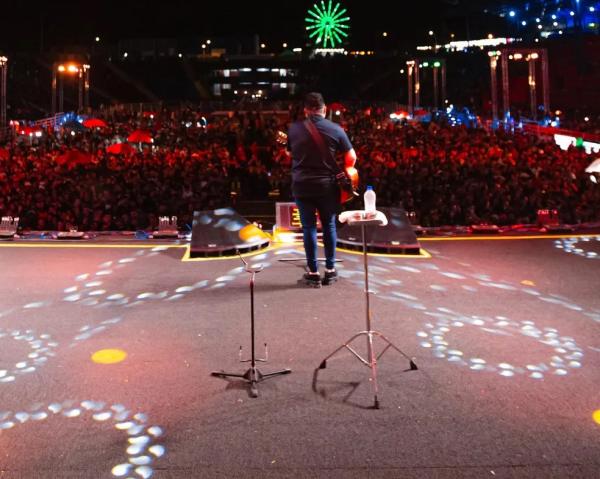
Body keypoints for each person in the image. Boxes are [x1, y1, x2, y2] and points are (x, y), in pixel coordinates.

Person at [287, 92, 357, 287]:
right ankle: (330, 270)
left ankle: (313, 272)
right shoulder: (336, 129)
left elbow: (289, 153)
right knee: (329, 226)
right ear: (324, 110)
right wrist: (345, 168)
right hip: (327, 186)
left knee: (308, 228)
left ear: (305, 111)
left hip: (302, 185)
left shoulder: (293, 129)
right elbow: (352, 158)